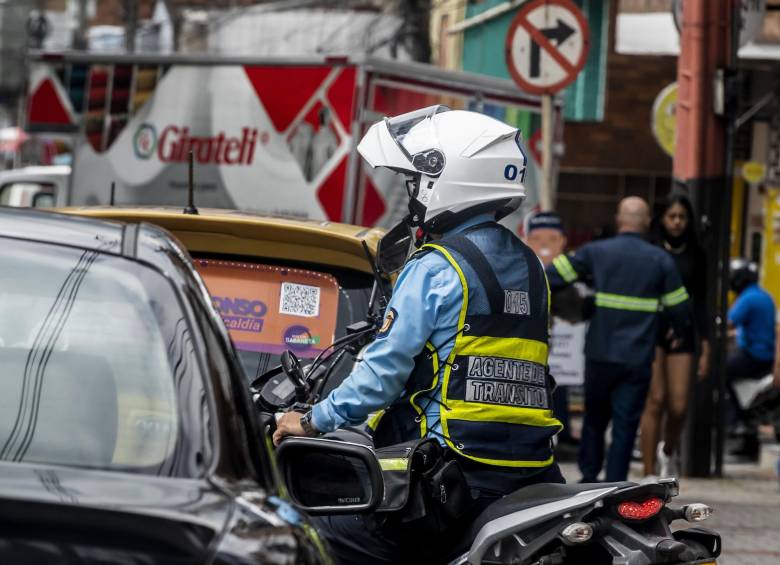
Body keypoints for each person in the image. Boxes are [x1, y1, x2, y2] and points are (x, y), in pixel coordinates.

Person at [273, 106, 564, 563]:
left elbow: (380, 376)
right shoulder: (532, 268)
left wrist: (309, 421)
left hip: (451, 481)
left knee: (310, 534)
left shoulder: (436, 266)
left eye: (415, 183)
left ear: (445, 178)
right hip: (530, 476)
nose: (413, 195)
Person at [546, 197, 691, 482]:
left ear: (618, 219)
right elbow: (680, 309)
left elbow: (551, 275)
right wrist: (676, 330)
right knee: (625, 425)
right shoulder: (660, 260)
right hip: (637, 358)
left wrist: (579, 298)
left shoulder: (595, 253)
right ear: (648, 223)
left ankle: (588, 479)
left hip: (600, 353)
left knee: (594, 420)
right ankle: (614, 484)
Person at [640, 192, 710, 479]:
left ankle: (667, 450)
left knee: (679, 405)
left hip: (684, 330)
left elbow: (703, 301)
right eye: (672, 216)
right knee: (655, 398)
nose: (677, 222)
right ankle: (648, 472)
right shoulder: (651, 248)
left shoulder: (697, 252)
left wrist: (705, 345)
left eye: (682, 217)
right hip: (654, 328)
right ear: (662, 219)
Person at [524, 211, 577, 447]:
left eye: (552, 238)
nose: (544, 244)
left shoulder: (571, 270)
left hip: (564, 347)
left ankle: (561, 430)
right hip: (531, 344)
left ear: (563, 242)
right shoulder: (522, 268)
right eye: (537, 238)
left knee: (559, 384)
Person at [726, 258, 776, 460]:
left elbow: (728, 323)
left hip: (755, 356)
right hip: (764, 355)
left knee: (718, 372)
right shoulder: (763, 295)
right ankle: (743, 423)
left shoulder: (748, 298)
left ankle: (735, 421)